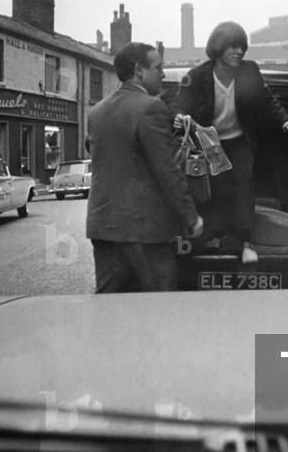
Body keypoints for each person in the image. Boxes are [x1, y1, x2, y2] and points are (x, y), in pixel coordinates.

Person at [172, 21, 288, 264]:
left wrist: (286, 123)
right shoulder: (199, 76)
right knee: (214, 189)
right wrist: (180, 117)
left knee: (243, 186)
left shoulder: (249, 71)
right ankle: (214, 237)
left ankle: (246, 243)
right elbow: (181, 104)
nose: (239, 52)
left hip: (238, 141)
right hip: (209, 143)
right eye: (233, 47)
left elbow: (268, 101)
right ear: (218, 47)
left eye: (242, 48)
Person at [86, 42, 204, 292]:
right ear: (139, 70)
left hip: (104, 227)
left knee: (111, 308)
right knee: (159, 309)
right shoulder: (151, 107)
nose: (162, 74)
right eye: (158, 68)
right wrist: (190, 216)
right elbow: (167, 170)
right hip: (145, 232)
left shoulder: (96, 112)